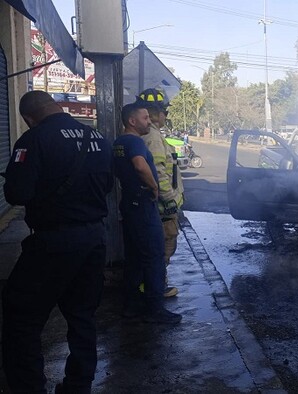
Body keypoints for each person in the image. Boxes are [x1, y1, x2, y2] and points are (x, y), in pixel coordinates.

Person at [2, 91, 112, 392]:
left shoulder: (34, 139)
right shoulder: (98, 138)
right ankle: (79, 385)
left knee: (21, 317)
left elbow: (18, 194)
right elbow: (107, 185)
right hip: (94, 239)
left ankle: (28, 387)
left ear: (28, 118)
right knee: (82, 316)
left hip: (54, 242)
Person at [113, 103, 182, 324]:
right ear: (132, 121)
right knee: (154, 257)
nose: (149, 122)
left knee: (134, 258)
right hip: (143, 205)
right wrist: (154, 188)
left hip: (129, 204)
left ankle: (131, 306)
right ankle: (155, 310)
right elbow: (140, 166)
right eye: (144, 118)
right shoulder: (135, 142)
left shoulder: (119, 143)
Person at [136, 88, 184, 298]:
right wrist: (170, 200)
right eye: (165, 111)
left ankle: (151, 284)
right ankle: (155, 288)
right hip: (163, 207)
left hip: (156, 205)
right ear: (156, 113)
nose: (166, 116)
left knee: (157, 247)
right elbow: (159, 172)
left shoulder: (150, 135)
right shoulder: (153, 138)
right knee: (163, 246)